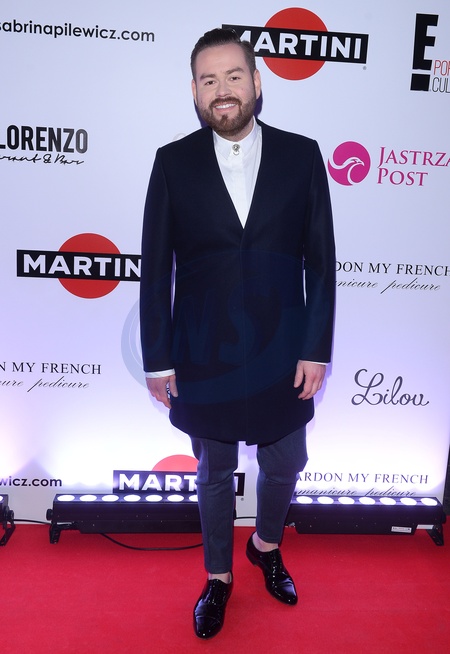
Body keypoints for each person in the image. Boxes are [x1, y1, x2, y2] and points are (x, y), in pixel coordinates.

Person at [140, 28, 335, 639]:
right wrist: (158, 359)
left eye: (232, 76)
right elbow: (156, 268)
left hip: (284, 350)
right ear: (194, 92)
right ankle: (218, 576)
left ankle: (267, 545)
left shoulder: (302, 156)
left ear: (256, 81)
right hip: (205, 354)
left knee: (287, 461)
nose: (221, 90)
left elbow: (321, 262)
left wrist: (315, 348)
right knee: (214, 471)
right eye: (208, 80)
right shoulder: (172, 162)